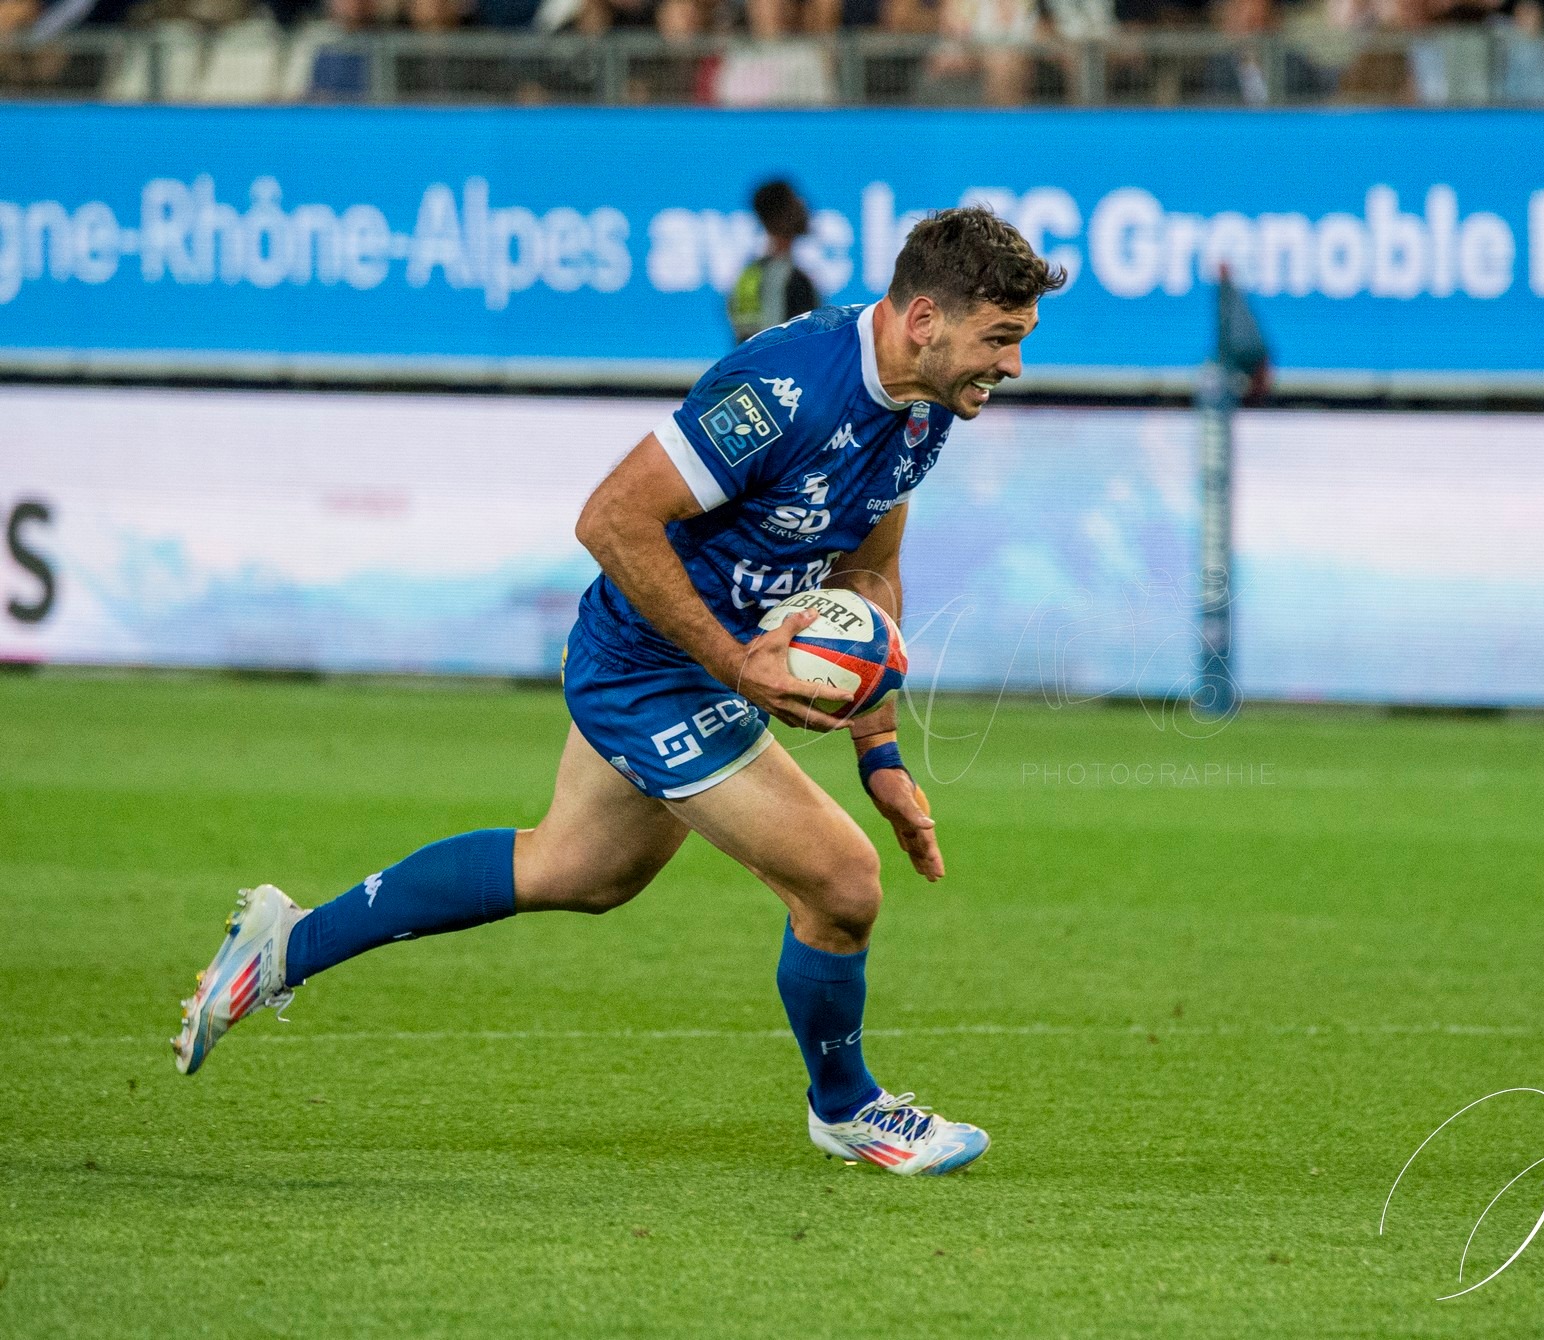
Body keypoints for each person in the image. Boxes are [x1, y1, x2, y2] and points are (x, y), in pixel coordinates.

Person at [171, 207, 1065, 1178]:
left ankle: (285, 943)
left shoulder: (925, 409)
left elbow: (870, 573)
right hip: (647, 666)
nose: (1011, 364)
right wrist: (736, 663)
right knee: (841, 881)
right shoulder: (786, 387)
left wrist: (879, 751)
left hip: (707, 666)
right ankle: (848, 1109)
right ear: (926, 317)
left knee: (575, 870)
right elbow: (610, 518)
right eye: (1001, 338)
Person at [727, 180, 822, 343]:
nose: (803, 205)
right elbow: (771, 343)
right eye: (794, 201)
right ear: (780, 216)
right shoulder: (783, 278)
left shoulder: (748, 274)